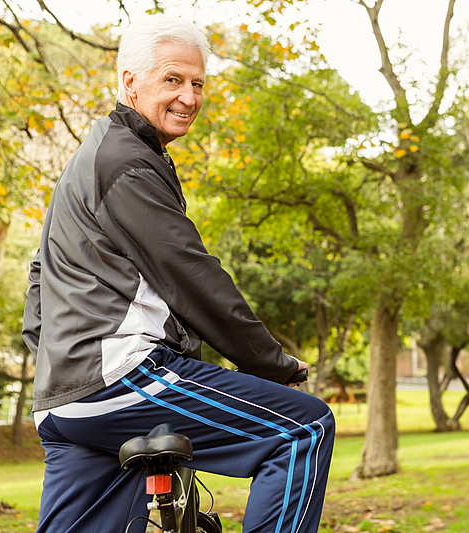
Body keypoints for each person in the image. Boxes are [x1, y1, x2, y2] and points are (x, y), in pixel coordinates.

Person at [22, 13, 335, 533]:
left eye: (197, 83)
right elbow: (191, 275)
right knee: (303, 429)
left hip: (64, 401)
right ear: (130, 82)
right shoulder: (126, 162)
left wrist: (56, 363)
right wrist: (273, 365)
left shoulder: (93, 157)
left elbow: (40, 279)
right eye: (172, 79)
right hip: (122, 377)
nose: (189, 97)